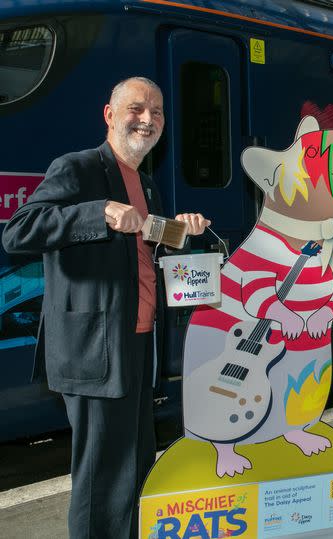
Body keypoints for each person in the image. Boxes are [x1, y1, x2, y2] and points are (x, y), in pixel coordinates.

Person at [2, 77, 210, 538]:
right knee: (102, 477)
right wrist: (96, 212)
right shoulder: (77, 169)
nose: (148, 119)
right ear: (109, 115)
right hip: (93, 349)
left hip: (137, 342)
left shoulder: (148, 185)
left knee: (135, 463)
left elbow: (146, 246)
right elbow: (18, 231)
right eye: (137, 108)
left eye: (157, 112)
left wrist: (181, 231)